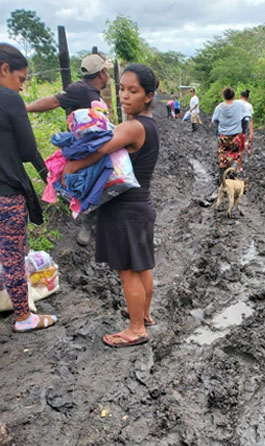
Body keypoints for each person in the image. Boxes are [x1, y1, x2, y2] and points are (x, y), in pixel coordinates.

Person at [62, 64, 160, 347]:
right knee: (142, 266)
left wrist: (70, 168)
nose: (125, 96)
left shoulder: (132, 126)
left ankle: (136, 328)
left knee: (127, 270)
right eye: (121, 89)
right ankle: (145, 314)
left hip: (124, 210)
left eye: (134, 91)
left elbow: (99, 149)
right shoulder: (149, 125)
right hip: (141, 205)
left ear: (148, 96)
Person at [26, 53, 112, 247]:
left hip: (98, 147)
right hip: (84, 150)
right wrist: (25, 108)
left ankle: (103, 223)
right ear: (102, 73)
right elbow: (53, 101)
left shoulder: (95, 94)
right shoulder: (80, 90)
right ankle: (87, 225)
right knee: (93, 185)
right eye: (107, 71)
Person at [0, 43, 58, 332]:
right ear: (4, 69)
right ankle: (24, 317)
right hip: (6, 195)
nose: (21, 88)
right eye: (21, 79)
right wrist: (50, 177)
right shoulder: (9, 100)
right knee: (11, 256)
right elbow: (27, 150)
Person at [210, 87, 248, 178]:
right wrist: (243, 129)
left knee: (223, 156)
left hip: (224, 137)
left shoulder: (219, 107)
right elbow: (245, 119)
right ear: (234, 96)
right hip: (236, 136)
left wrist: (221, 126)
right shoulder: (240, 106)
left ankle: (222, 179)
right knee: (235, 155)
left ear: (224, 96)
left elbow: (215, 120)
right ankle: (232, 174)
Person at [235, 89, 254, 171]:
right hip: (242, 129)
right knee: (240, 148)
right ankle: (239, 167)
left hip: (232, 128)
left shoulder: (235, 102)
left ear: (240, 96)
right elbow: (250, 120)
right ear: (247, 97)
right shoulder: (249, 106)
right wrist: (251, 133)